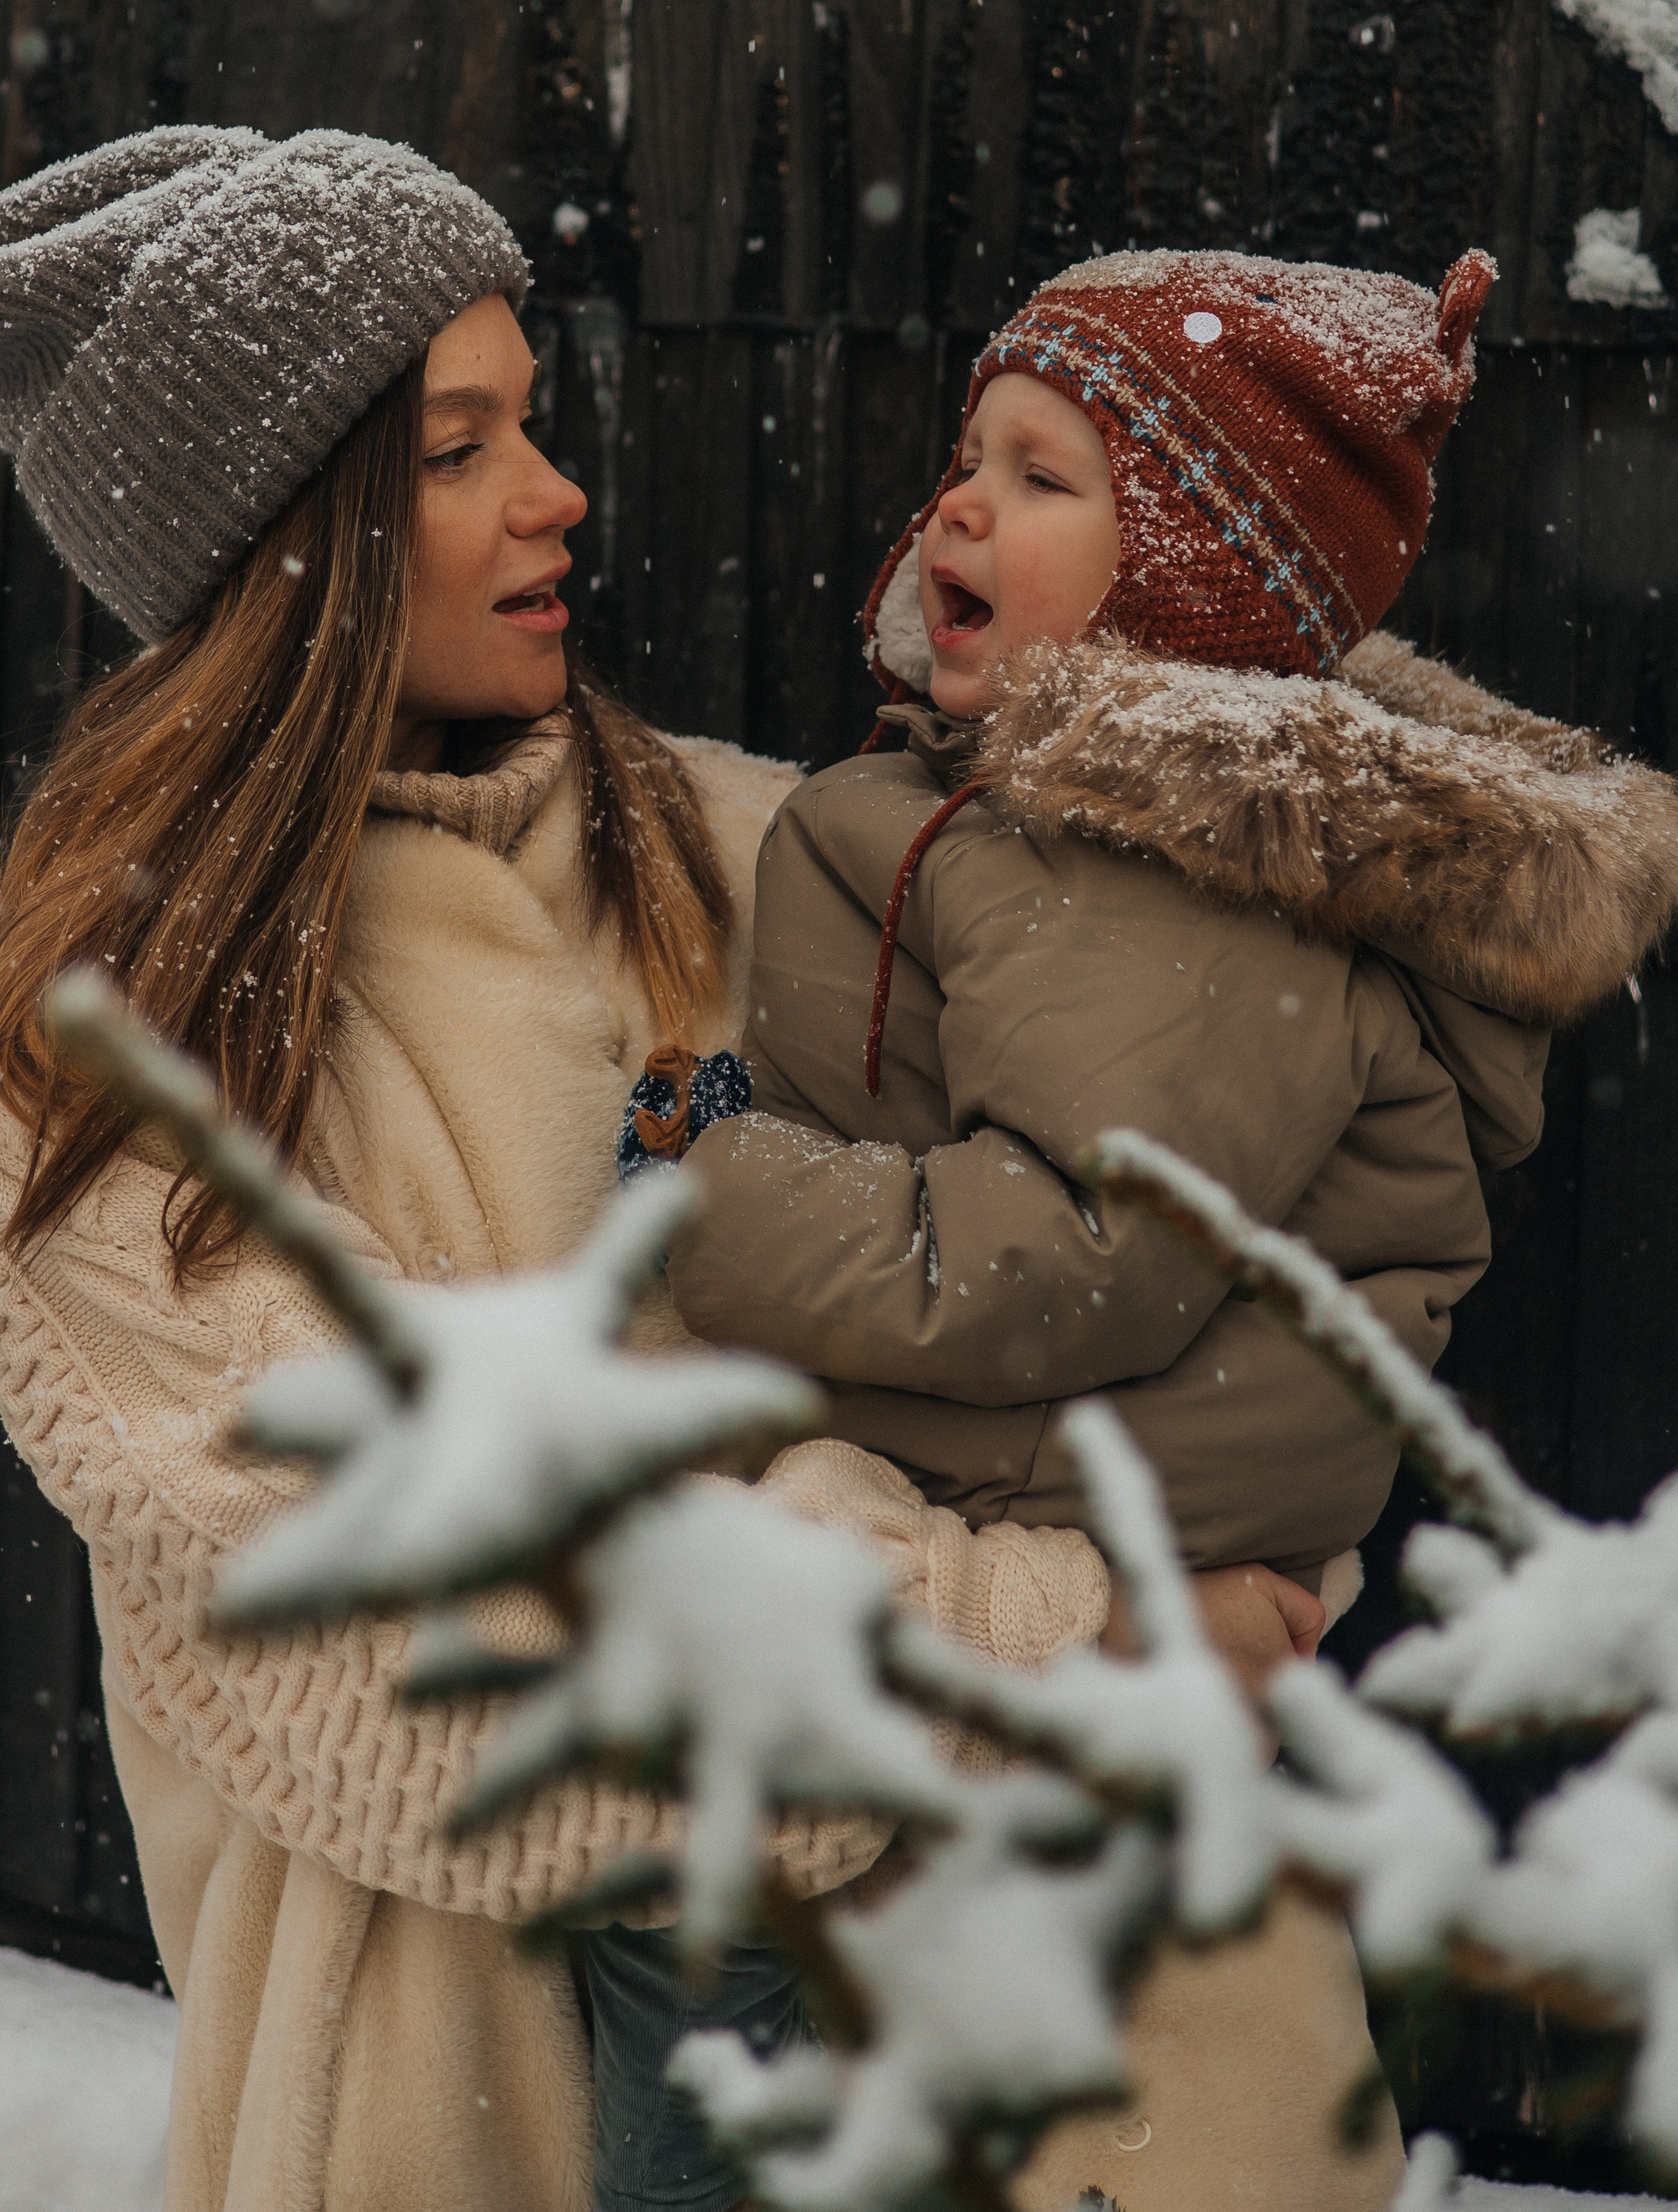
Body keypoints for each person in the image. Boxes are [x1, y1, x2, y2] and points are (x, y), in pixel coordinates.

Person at [0, 125, 1108, 2212]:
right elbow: (447, 1691)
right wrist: (1061, 1632)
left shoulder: (771, 865)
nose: (557, 494)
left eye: (531, 421)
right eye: (458, 449)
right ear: (290, 542)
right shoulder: (77, 1085)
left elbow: (1173, 1235)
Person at [660, 247, 1678, 2210]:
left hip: (1073, 1512)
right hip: (1059, 1525)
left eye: (1043, 478)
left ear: (1192, 588)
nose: (962, 504)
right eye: (971, 455)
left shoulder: (1165, 880)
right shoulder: (1025, 812)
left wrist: (701, 1188)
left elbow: (1059, 1258)